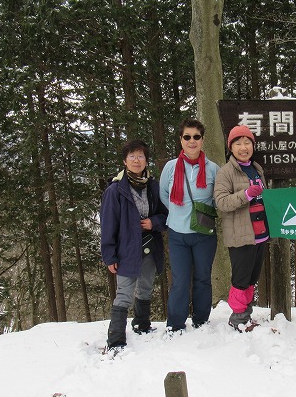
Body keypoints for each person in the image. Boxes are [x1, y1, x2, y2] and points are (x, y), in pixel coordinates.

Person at [101, 139, 168, 352]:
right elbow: (108, 224)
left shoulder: (153, 187)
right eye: (132, 156)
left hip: (150, 245)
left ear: (146, 160)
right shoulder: (115, 190)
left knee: (146, 287)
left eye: (140, 156)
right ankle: (116, 339)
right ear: (125, 161)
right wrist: (109, 255)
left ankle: (141, 324)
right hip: (126, 250)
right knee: (124, 292)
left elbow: (166, 214)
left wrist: (154, 222)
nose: (136, 160)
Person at [159, 118, 220, 334]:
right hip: (177, 234)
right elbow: (163, 195)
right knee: (180, 280)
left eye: (196, 137)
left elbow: (218, 198)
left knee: (202, 278)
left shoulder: (213, 169)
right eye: (187, 137)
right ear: (181, 140)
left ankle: (201, 321)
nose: (191, 141)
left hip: (204, 233)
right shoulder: (170, 167)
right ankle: (175, 324)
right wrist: (180, 212)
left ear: (202, 140)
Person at [214, 125, 269, 331]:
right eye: (238, 143)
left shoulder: (256, 168)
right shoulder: (225, 172)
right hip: (240, 235)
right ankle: (238, 318)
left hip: (260, 233)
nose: (243, 147)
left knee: (252, 278)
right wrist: (245, 194)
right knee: (240, 279)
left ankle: (246, 314)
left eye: (247, 143)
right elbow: (221, 202)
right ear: (231, 147)